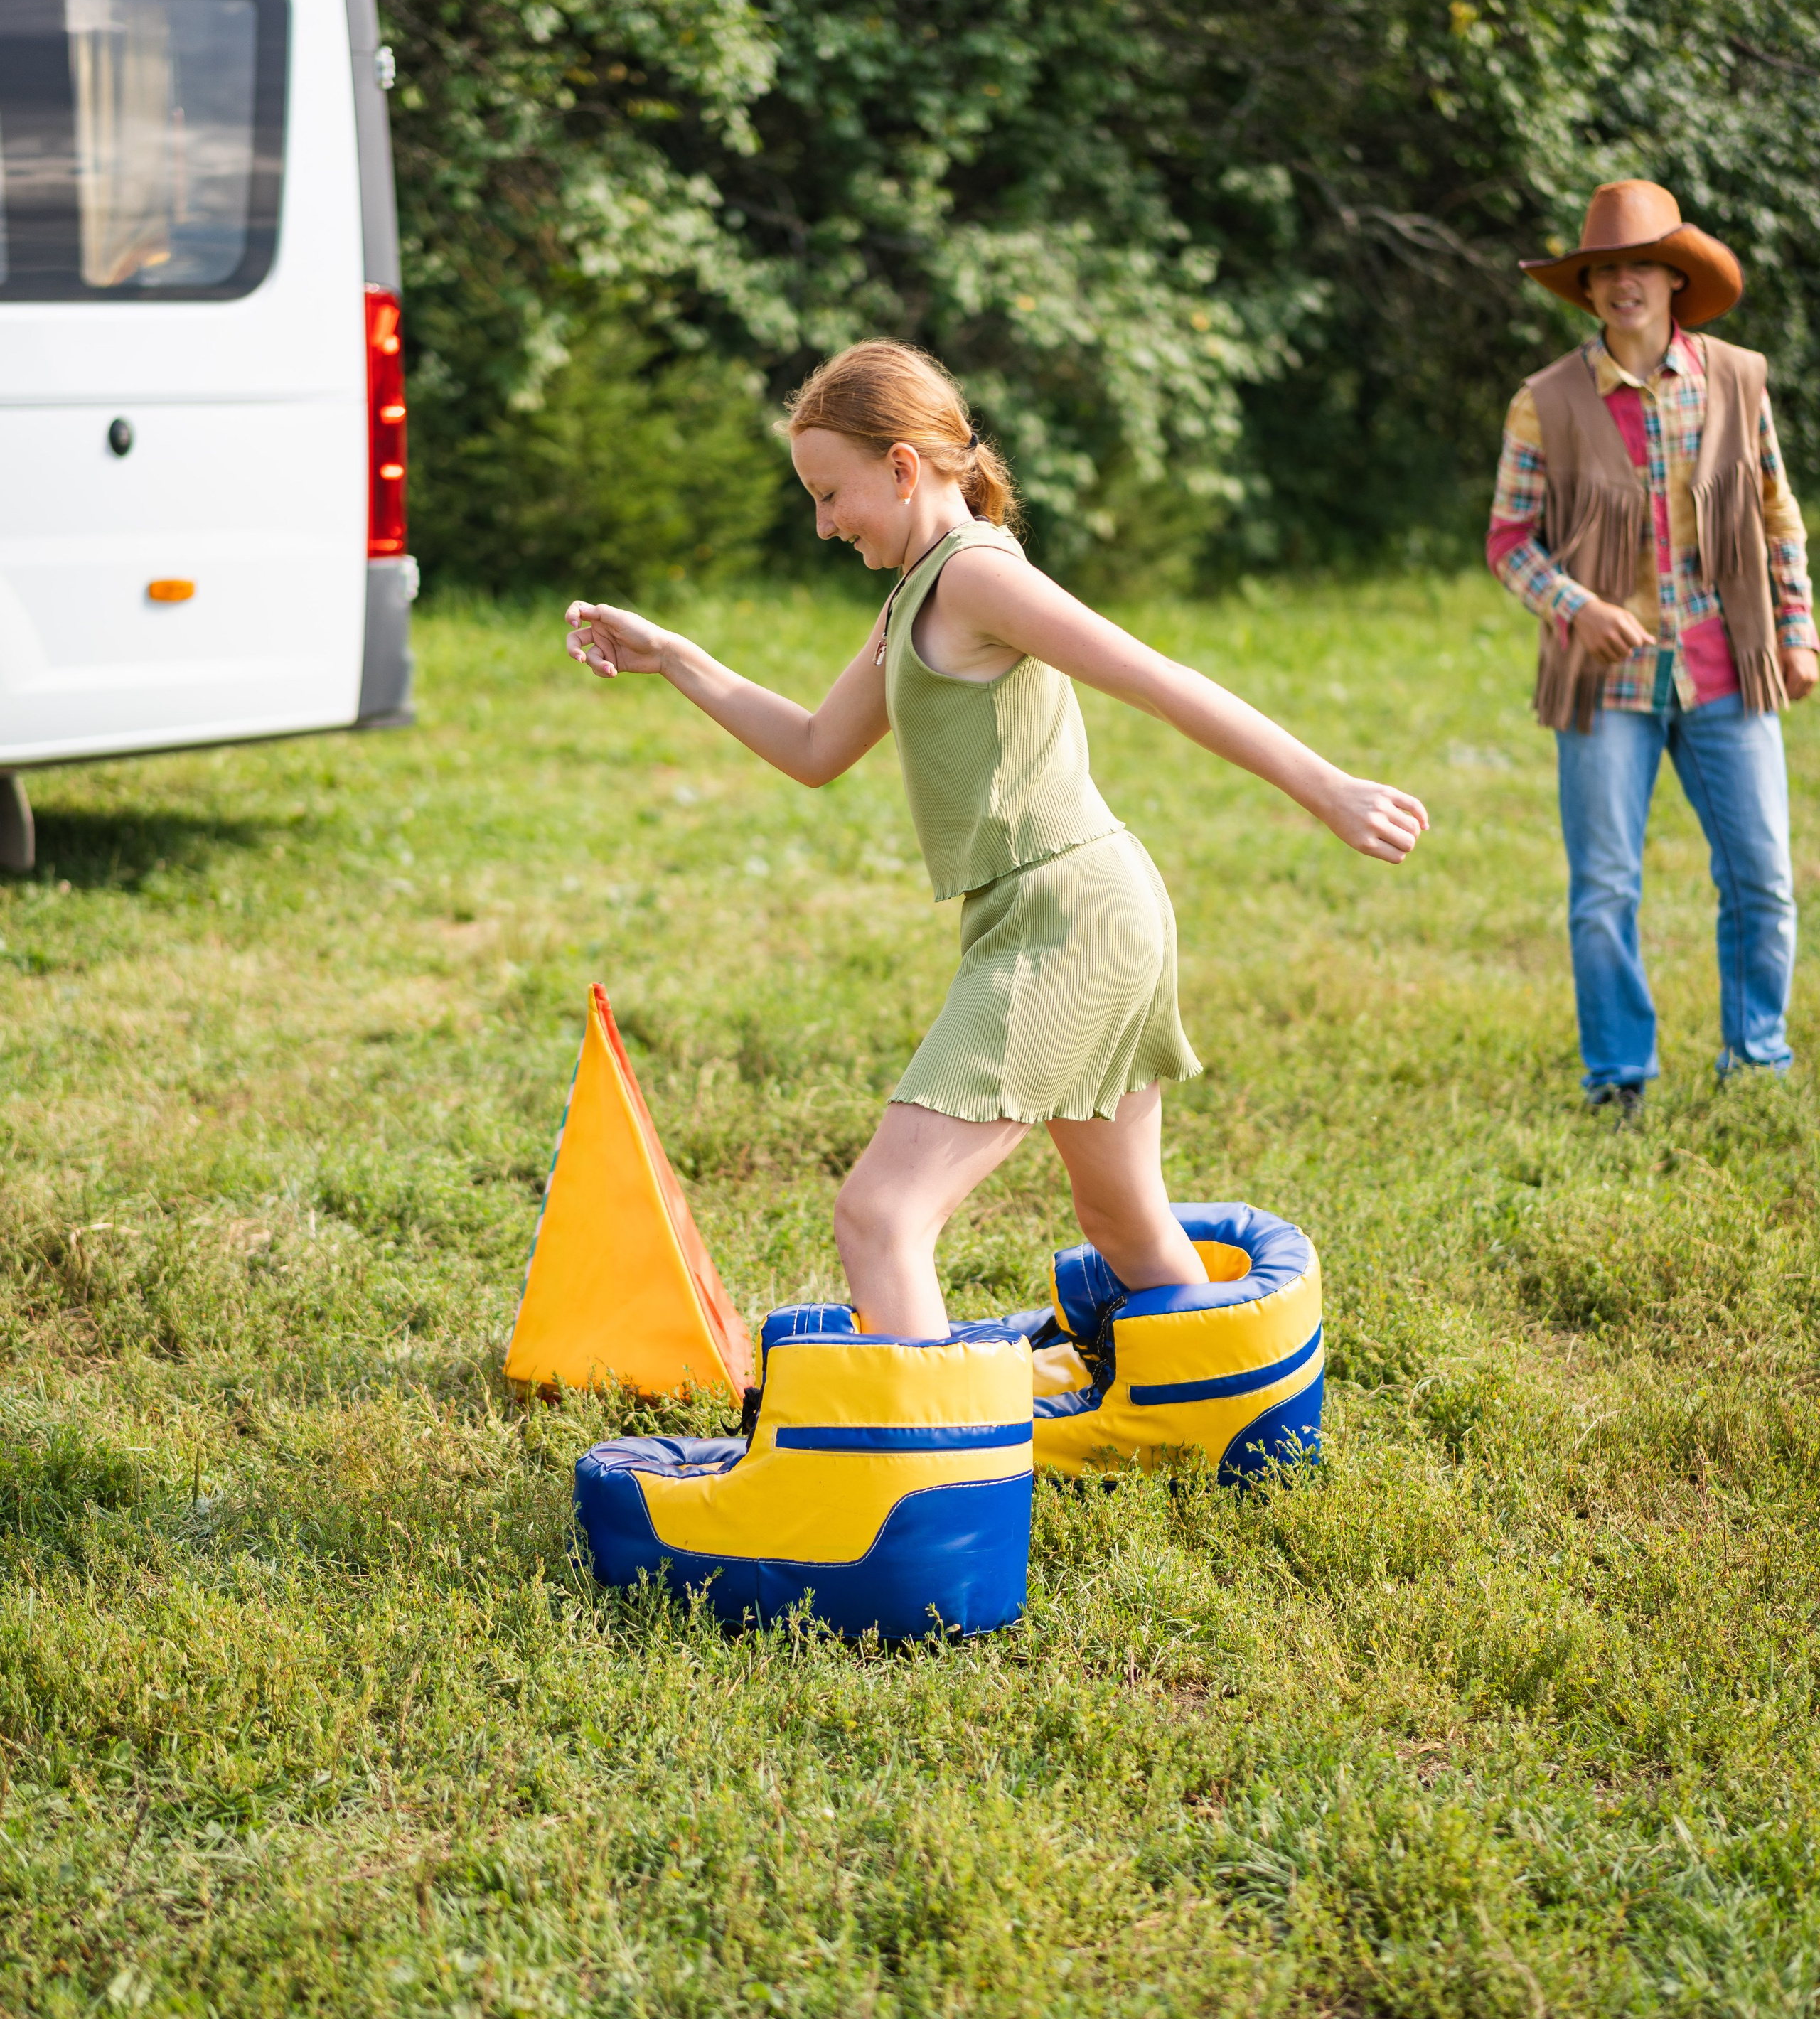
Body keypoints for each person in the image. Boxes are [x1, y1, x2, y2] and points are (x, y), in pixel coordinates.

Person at [567, 340, 1428, 1339]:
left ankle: (932, 1474)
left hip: (1066, 916)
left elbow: (1154, 677)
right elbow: (813, 747)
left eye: (831, 493)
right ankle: (1223, 1417)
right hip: (1072, 908)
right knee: (1123, 1220)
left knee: (880, 1218)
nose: (822, 523)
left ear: (900, 467)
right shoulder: (919, 587)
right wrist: (674, 656)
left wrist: (1327, 788)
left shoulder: (974, 576)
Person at [1490, 180, 1817, 1115]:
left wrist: (1799, 633)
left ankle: (1756, 1061)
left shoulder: (1738, 380)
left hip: (1728, 667)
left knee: (1760, 876)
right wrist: (1577, 606)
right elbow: (1510, 542)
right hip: (1605, 683)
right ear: (1588, 293)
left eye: (1641, 265)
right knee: (1603, 889)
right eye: (1604, 271)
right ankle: (1619, 1078)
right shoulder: (1543, 401)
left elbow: (1776, 515)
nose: (1624, 283)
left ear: (1675, 280)